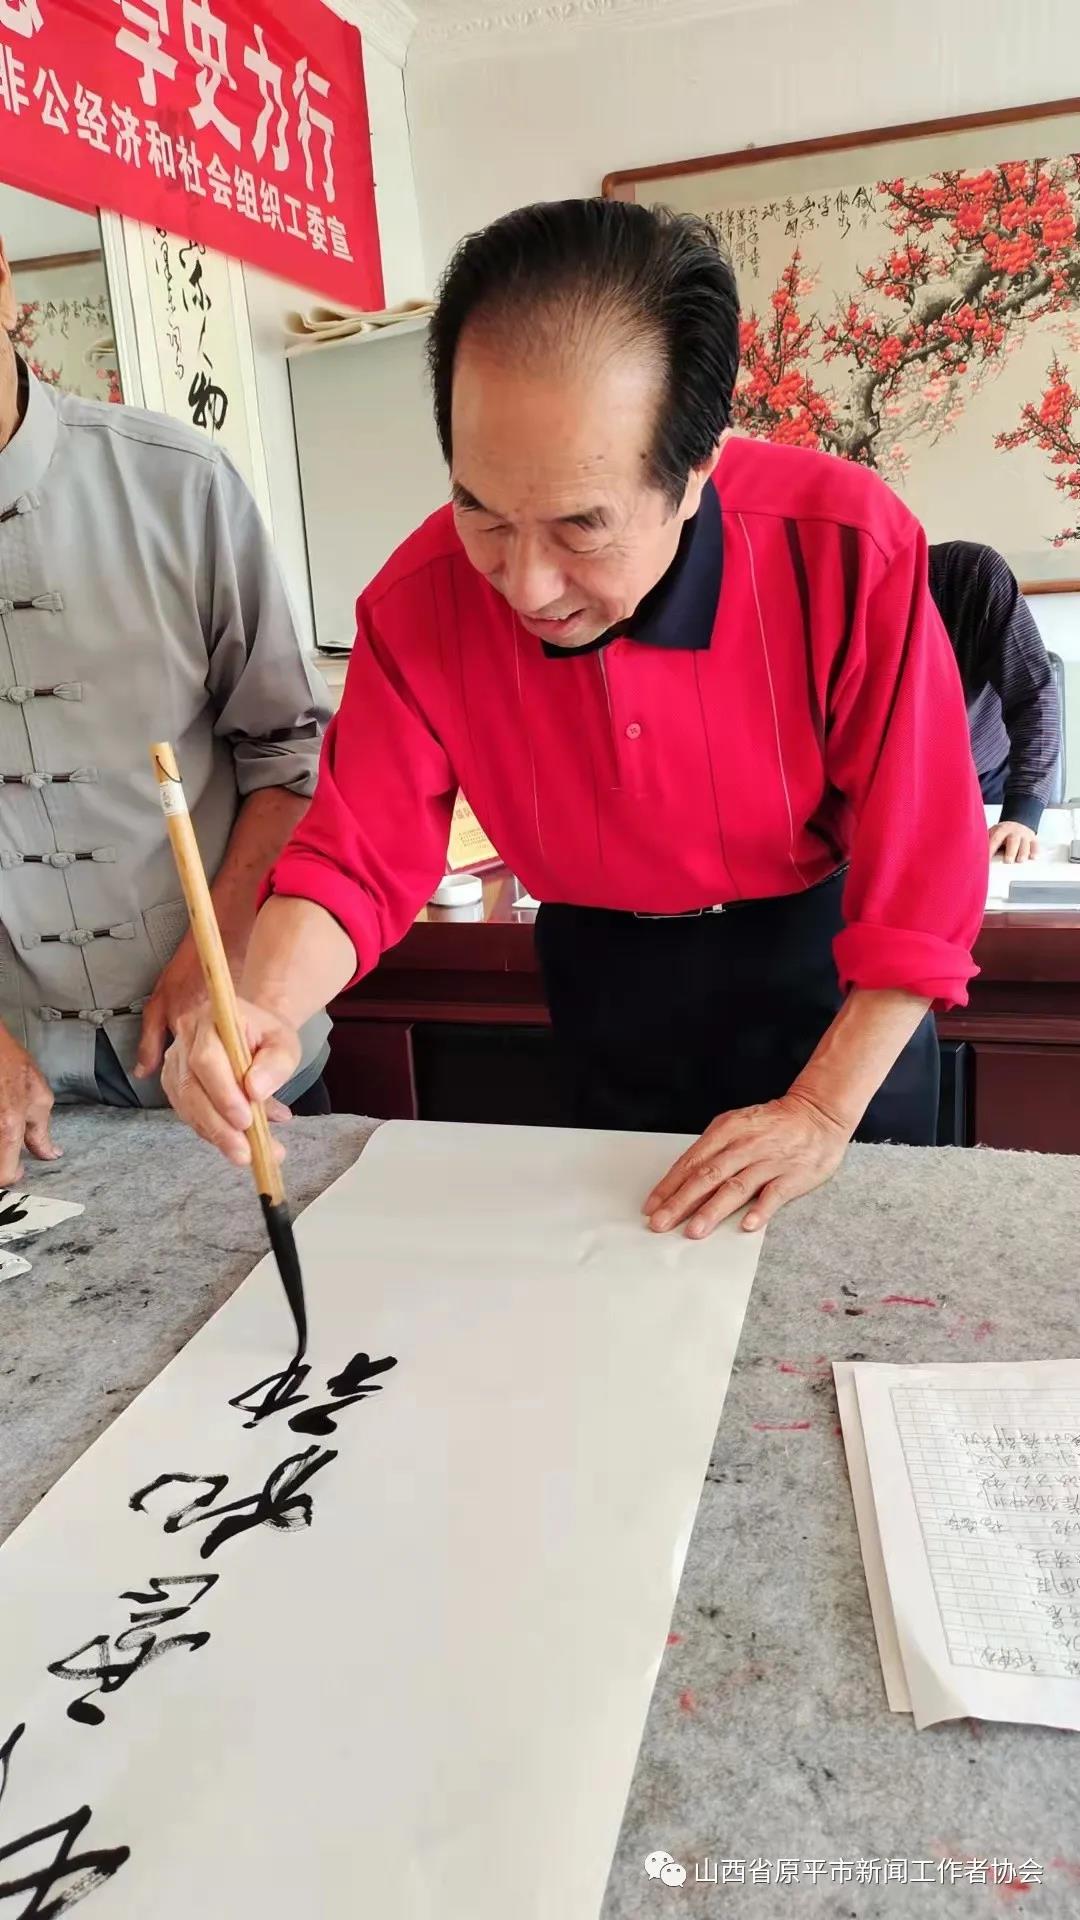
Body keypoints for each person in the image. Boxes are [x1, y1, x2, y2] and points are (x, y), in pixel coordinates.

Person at [163, 199, 987, 1239]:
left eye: (580, 527)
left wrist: (821, 1109)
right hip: (608, 985)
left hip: (828, 986)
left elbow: (925, 857)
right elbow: (356, 859)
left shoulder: (841, 544)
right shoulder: (418, 600)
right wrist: (265, 1007)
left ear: (697, 467)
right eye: (481, 512)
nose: (525, 584)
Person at [0, 237, 331, 1184]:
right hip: (22, 1106)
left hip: (235, 1054)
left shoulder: (178, 483)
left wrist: (217, 944)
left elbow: (291, 755)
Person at [929, 539, 1061, 865]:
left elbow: (1032, 694)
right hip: (872, 792)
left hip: (981, 779)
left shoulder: (971, 572)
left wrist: (1021, 815)